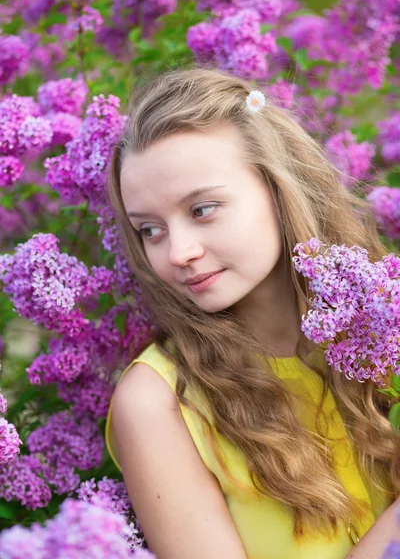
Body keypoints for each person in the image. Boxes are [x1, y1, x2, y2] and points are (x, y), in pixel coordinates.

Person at [105, 67, 400, 559]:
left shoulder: (381, 323)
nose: (177, 252)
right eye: (149, 230)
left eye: (202, 210)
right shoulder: (160, 404)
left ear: (279, 188)